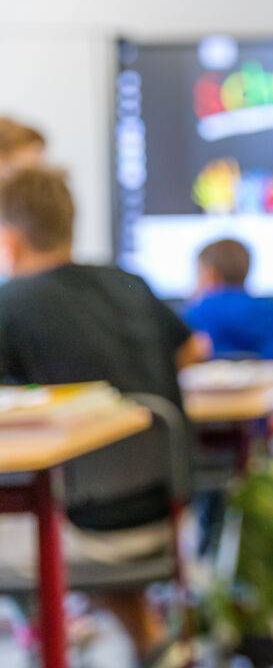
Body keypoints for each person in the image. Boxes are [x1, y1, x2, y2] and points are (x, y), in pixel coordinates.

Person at [0, 167, 205, 660]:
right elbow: (194, 348)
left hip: (75, 526)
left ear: (8, 239)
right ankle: (148, 640)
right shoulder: (128, 282)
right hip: (168, 515)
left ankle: (45, 639)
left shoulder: (10, 305)